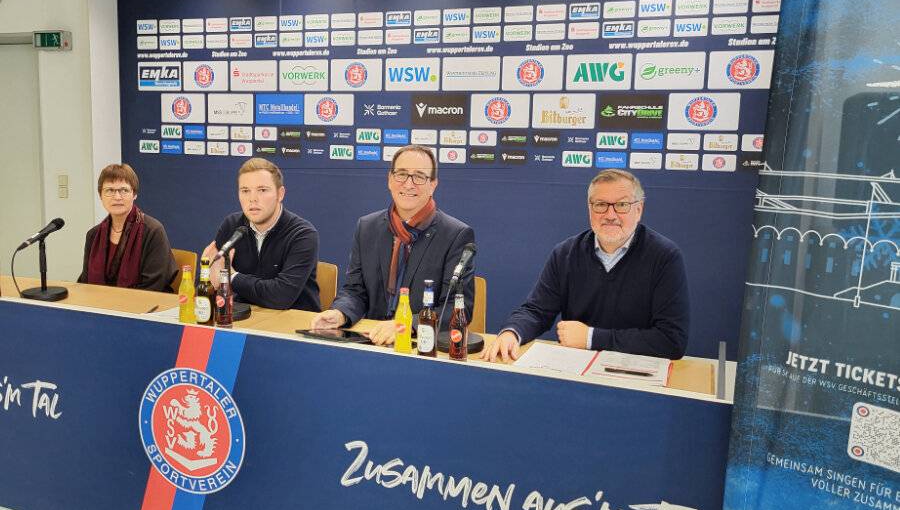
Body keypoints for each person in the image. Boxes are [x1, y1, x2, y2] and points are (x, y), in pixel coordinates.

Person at [482, 169, 689, 362]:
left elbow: (671, 340)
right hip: (576, 371)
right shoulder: (565, 253)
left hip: (637, 377)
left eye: (622, 205)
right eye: (600, 204)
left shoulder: (665, 257)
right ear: (590, 209)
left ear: (639, 209)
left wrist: (592, 337)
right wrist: (512, 332)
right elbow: (536, 311)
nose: (610, 215)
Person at [310, 145, 475, 344]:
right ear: (389, 179)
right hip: (371, 339)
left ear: (433, 185)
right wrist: (341, 313)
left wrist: (405, 324)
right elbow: (355, 290)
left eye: (419, 176)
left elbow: (457, 308)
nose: (408, 184)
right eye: (402, 174)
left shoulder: (456, 235)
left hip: (418, 345)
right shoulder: (367, 227)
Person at [202, 158, 320, 311]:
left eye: (262, 190)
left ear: (280, 194)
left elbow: (280, 297)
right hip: (244, 320)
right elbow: (210, 281)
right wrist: (207, 276)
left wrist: (230, 277)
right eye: (245, 191)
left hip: (291, 325)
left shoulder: (302, 234)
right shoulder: (232, 226)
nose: (252, 199)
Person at [78, 163, 178, 292]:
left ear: (134, 194)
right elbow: (85, 282)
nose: (117, 197)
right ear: (100, 195)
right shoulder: (93, 235)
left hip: (143, 306)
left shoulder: (153, 230)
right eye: (110, 190)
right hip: (100, 306)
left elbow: (154, 284)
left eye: (124, 190)